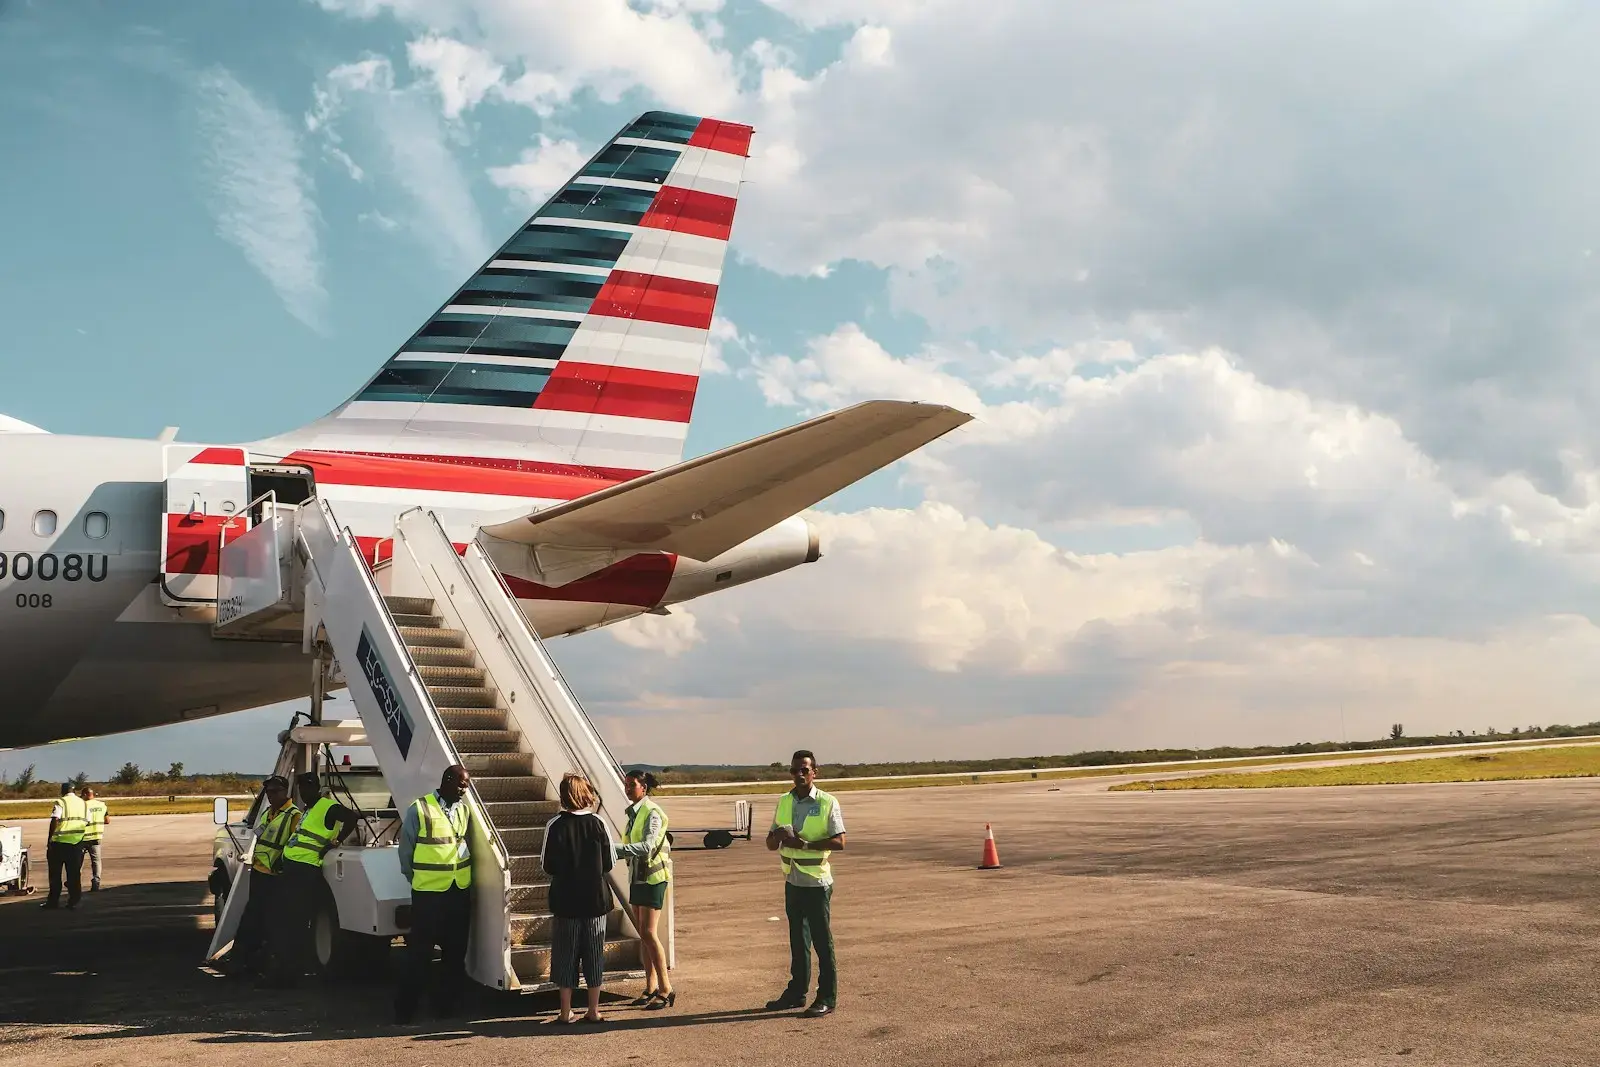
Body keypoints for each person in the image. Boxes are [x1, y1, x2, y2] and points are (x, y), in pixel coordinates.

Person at [764, 749, 846, 1018]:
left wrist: (806, 844)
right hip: (793, 880)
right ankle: (796, 992)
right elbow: (769, 843)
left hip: (816, 883)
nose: (799, 774)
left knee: (822, 942)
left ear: (814, 772)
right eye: (794, 770)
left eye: (804, 770)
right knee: (798, 941)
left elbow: (840, 842)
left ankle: (827, 997)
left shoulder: (827, 802)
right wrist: (776, 837)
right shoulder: (784, 801)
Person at [395, 764, 474, 1024]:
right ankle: (406, 1010)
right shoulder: (419, 809)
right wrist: (416, 878)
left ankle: (446, 1007)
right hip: (428, 894)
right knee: (420, 953)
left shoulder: (463, 810)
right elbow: (406, 853)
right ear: (448, 780)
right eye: (462, 784)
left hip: (457, 891)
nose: (465, 789)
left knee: (455, 954)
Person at [541, 772, 618, 1024]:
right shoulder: (598, 824)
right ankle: (593, 1010)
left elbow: (547, 865)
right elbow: (609, 862)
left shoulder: (555, 825)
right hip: (595, 899)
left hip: (566, 900)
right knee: (594, 953)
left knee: (566, 954)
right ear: (585, 795)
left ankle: (565, 1011)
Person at [269, 771, 358, 986]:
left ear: (316, 788)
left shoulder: (327, 806)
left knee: (295, 921)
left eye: (308, 788)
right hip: (293, 866)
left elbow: (352, 817)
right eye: (301, 788)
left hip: (305, 869)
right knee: (288, 920)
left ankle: (291, 972)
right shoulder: (308, 809)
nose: (304, 792)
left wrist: (335, 842)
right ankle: (288, 968)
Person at [615, 769, 673, 1008]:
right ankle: (650, 986)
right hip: (637, 878)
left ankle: (666, 987)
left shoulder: (652, 813)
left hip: (652, 879)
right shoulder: (633, 814)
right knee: (643, 935)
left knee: (649, 933)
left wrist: (613, 849)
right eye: (626, 785)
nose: (628, 789)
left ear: (643, 788)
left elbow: (648, 846)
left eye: (632, 785)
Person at [233, 775, 301, 977]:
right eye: (269, 792)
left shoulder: (293, 815)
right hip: (259, 872)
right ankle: (248, 961)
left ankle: (267, 964)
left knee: (271, 921)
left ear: (285, 792)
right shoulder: (267, 813)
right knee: (253, 919)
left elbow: (294, 844)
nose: (271, 796)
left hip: (275, 876)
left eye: (275, 792)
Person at [41, 782, 88, 910]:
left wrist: (49, 839)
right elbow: (87, 821)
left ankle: (53, 902)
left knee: (55, 874)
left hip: (59, 843)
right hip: (77, 843)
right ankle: (74, 901)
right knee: (74, 875)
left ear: (63, 791)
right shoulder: (83, 803)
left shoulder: (61, 802)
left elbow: (55, 819)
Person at [81, 786, 108, 892]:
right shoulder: (102, 805)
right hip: (96, 837)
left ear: (84, 795)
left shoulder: (82, 805)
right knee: (96, 861)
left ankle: (75, 882)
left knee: (78, 862)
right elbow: (107, 820)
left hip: (83, 837)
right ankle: (96, 881)